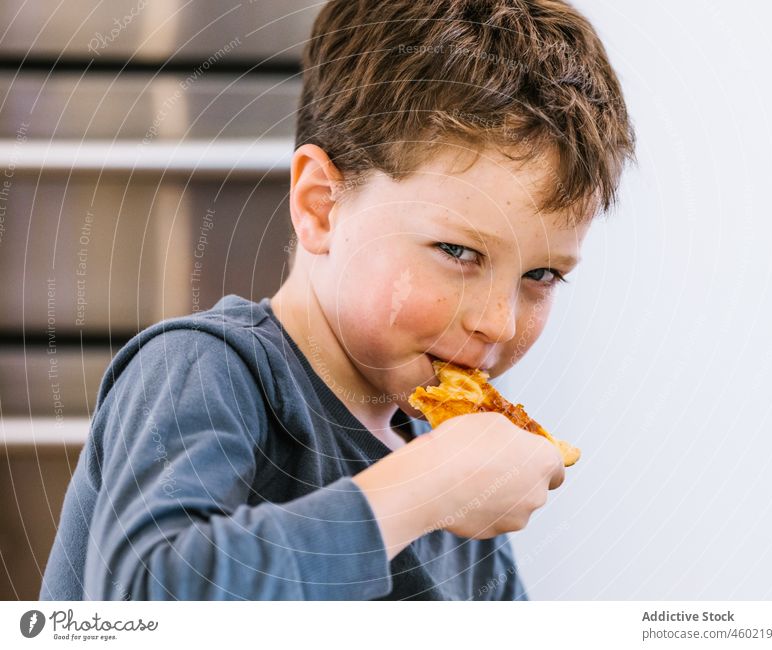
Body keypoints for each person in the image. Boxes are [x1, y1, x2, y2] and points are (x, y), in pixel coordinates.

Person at [40, 0, 635, 600]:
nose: (498, 323)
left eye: (541, 274)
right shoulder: (202, 370)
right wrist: (425, 488)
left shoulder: (459, 497)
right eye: (457, 252)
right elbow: (149, 594)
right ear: (321, 205)